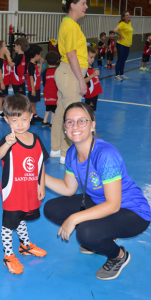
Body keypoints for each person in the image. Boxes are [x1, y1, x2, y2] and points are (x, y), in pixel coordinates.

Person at [44, 102, 151, 280]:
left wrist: (74, 218)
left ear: (93, 125)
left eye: (81, 121)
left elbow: (114, 204)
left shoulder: (105, 155)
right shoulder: (72, 152)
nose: (75, 126)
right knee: (52, 208)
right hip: (102, 201)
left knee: (85, 232)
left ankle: (118, 256)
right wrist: (40, 176)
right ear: (64, 127)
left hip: (133, 212)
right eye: (69, 122)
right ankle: (101, 235)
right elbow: (68, 188)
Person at [0, 94, 49, 275]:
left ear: (31, 116)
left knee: (22, 217)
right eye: (15, 120)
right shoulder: (8, 140)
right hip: (12, 191)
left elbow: (41, 163)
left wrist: (41, 185)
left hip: (30, 189)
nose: (20, 124)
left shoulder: (36, 139)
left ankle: (25, 245)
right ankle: (8, 255)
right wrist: (7, 144)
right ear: (7, 120)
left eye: (24, 119)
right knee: (9, 223)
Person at [50, 0, 88, 165]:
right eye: (83, 3)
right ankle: (66, 154)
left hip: (65, 72)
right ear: (73, 5)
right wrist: (82, 80)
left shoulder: (67, 22)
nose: (86, 7)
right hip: (71, 73)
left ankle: (56, 149)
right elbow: (72, 55)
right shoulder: (71, 25)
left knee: (60, 113)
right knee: (73, 116)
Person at [26, 43, 44, 124]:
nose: (40, 56)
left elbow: (38, 73)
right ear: (36, 55)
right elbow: (31, 77)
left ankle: (35, 115)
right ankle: (28, 117)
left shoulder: (35, 64)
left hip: (37, 86)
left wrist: (41, 64)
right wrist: (32, 89)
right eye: (39, 55)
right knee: (31, 102)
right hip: (33, 87)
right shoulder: (30, 65)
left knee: (34, 102)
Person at [0, 40, 11, 119]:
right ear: (1, 50)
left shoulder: (5, 59)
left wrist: (8, 81)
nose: (6, 47)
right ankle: (0, 112)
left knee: (4, 96)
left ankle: (3, 110)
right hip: (1, 82)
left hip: (6, 82)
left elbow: (6, 71)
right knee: (1, 97)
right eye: (5, 46)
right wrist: (2, 83)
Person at [114, 11, 133, 81]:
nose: (128, 16)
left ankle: (121, 74)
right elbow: (115, 30)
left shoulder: (129, 23)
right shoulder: (122, 23)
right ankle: (117, 76)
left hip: (127, 45)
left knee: (124, 60)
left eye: (129, 15)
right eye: (126, 15)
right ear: (123, 17)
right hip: (121, 44)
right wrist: (120, 35)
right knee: (120, 60)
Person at [41, 51, 59, 128]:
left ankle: (44, 121)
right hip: (55, 91)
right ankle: (51, 123)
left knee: (48, 107)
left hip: (47, 91)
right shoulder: (58, 71)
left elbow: (44, 82)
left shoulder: (45, 71)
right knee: (54, 108)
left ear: (46, 61)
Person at [84, 47, 103, 111]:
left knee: (91, 110)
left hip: (95, 94)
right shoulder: (84, 69)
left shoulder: (90, 66)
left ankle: (90, 120)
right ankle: (90, 121)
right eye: (91, 57)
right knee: (89, 111)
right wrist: (93, 75)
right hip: (90, 95)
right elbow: (83, 81)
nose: (93, 59)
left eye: (94, 57)